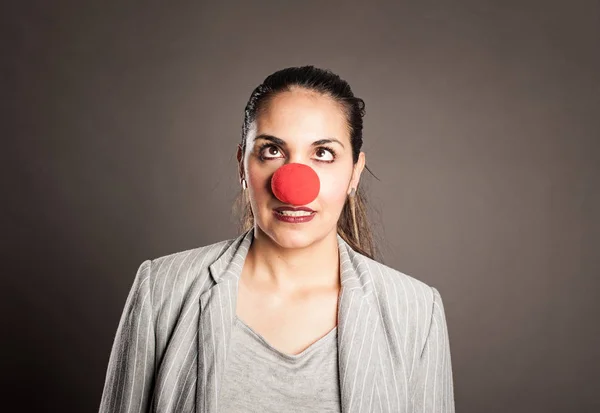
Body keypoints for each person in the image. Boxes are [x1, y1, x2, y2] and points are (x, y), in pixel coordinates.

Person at [98, 65, 456, 413]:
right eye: (272, 150)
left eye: (323, 153)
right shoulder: (160, 289)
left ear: (354, 174)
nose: (293, 185)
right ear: (242, 165)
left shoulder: (417, 312)